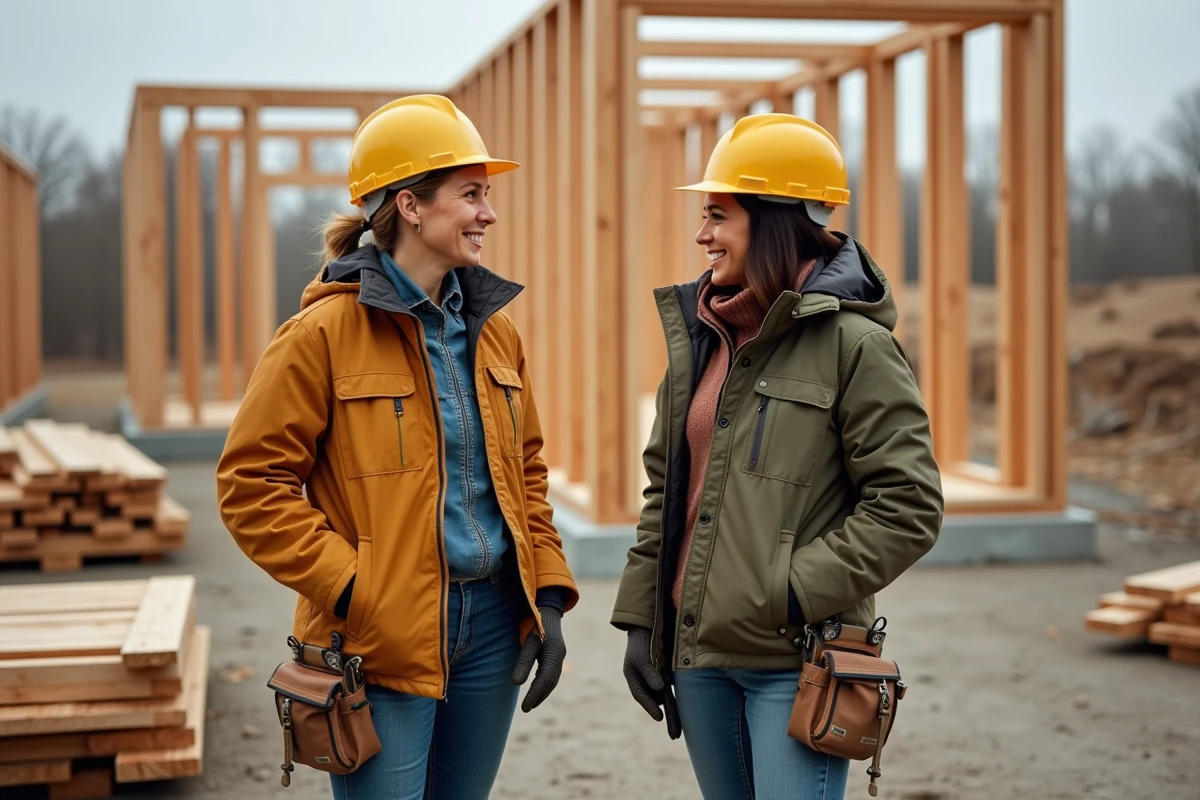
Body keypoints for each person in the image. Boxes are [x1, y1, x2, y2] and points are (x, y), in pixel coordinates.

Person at [217, 94, 578, 800]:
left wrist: (549, 593)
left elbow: (525, 472)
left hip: (493, 627)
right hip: (376, 639)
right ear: (410, 205)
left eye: (488, 195)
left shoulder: (496, 335)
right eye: (471, 195)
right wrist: (353, 585)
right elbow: (250, 486)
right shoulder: (319, 336)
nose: (488, 214)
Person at [611, 113, 943, 799]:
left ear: (774, 219)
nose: (702, 235)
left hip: (800, 661)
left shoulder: (857, 346)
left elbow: (909, 505)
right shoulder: (703, 340)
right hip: (700, 659)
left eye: (718, 215)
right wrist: (644, 621)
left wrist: (787, 590)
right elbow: (665, 492)